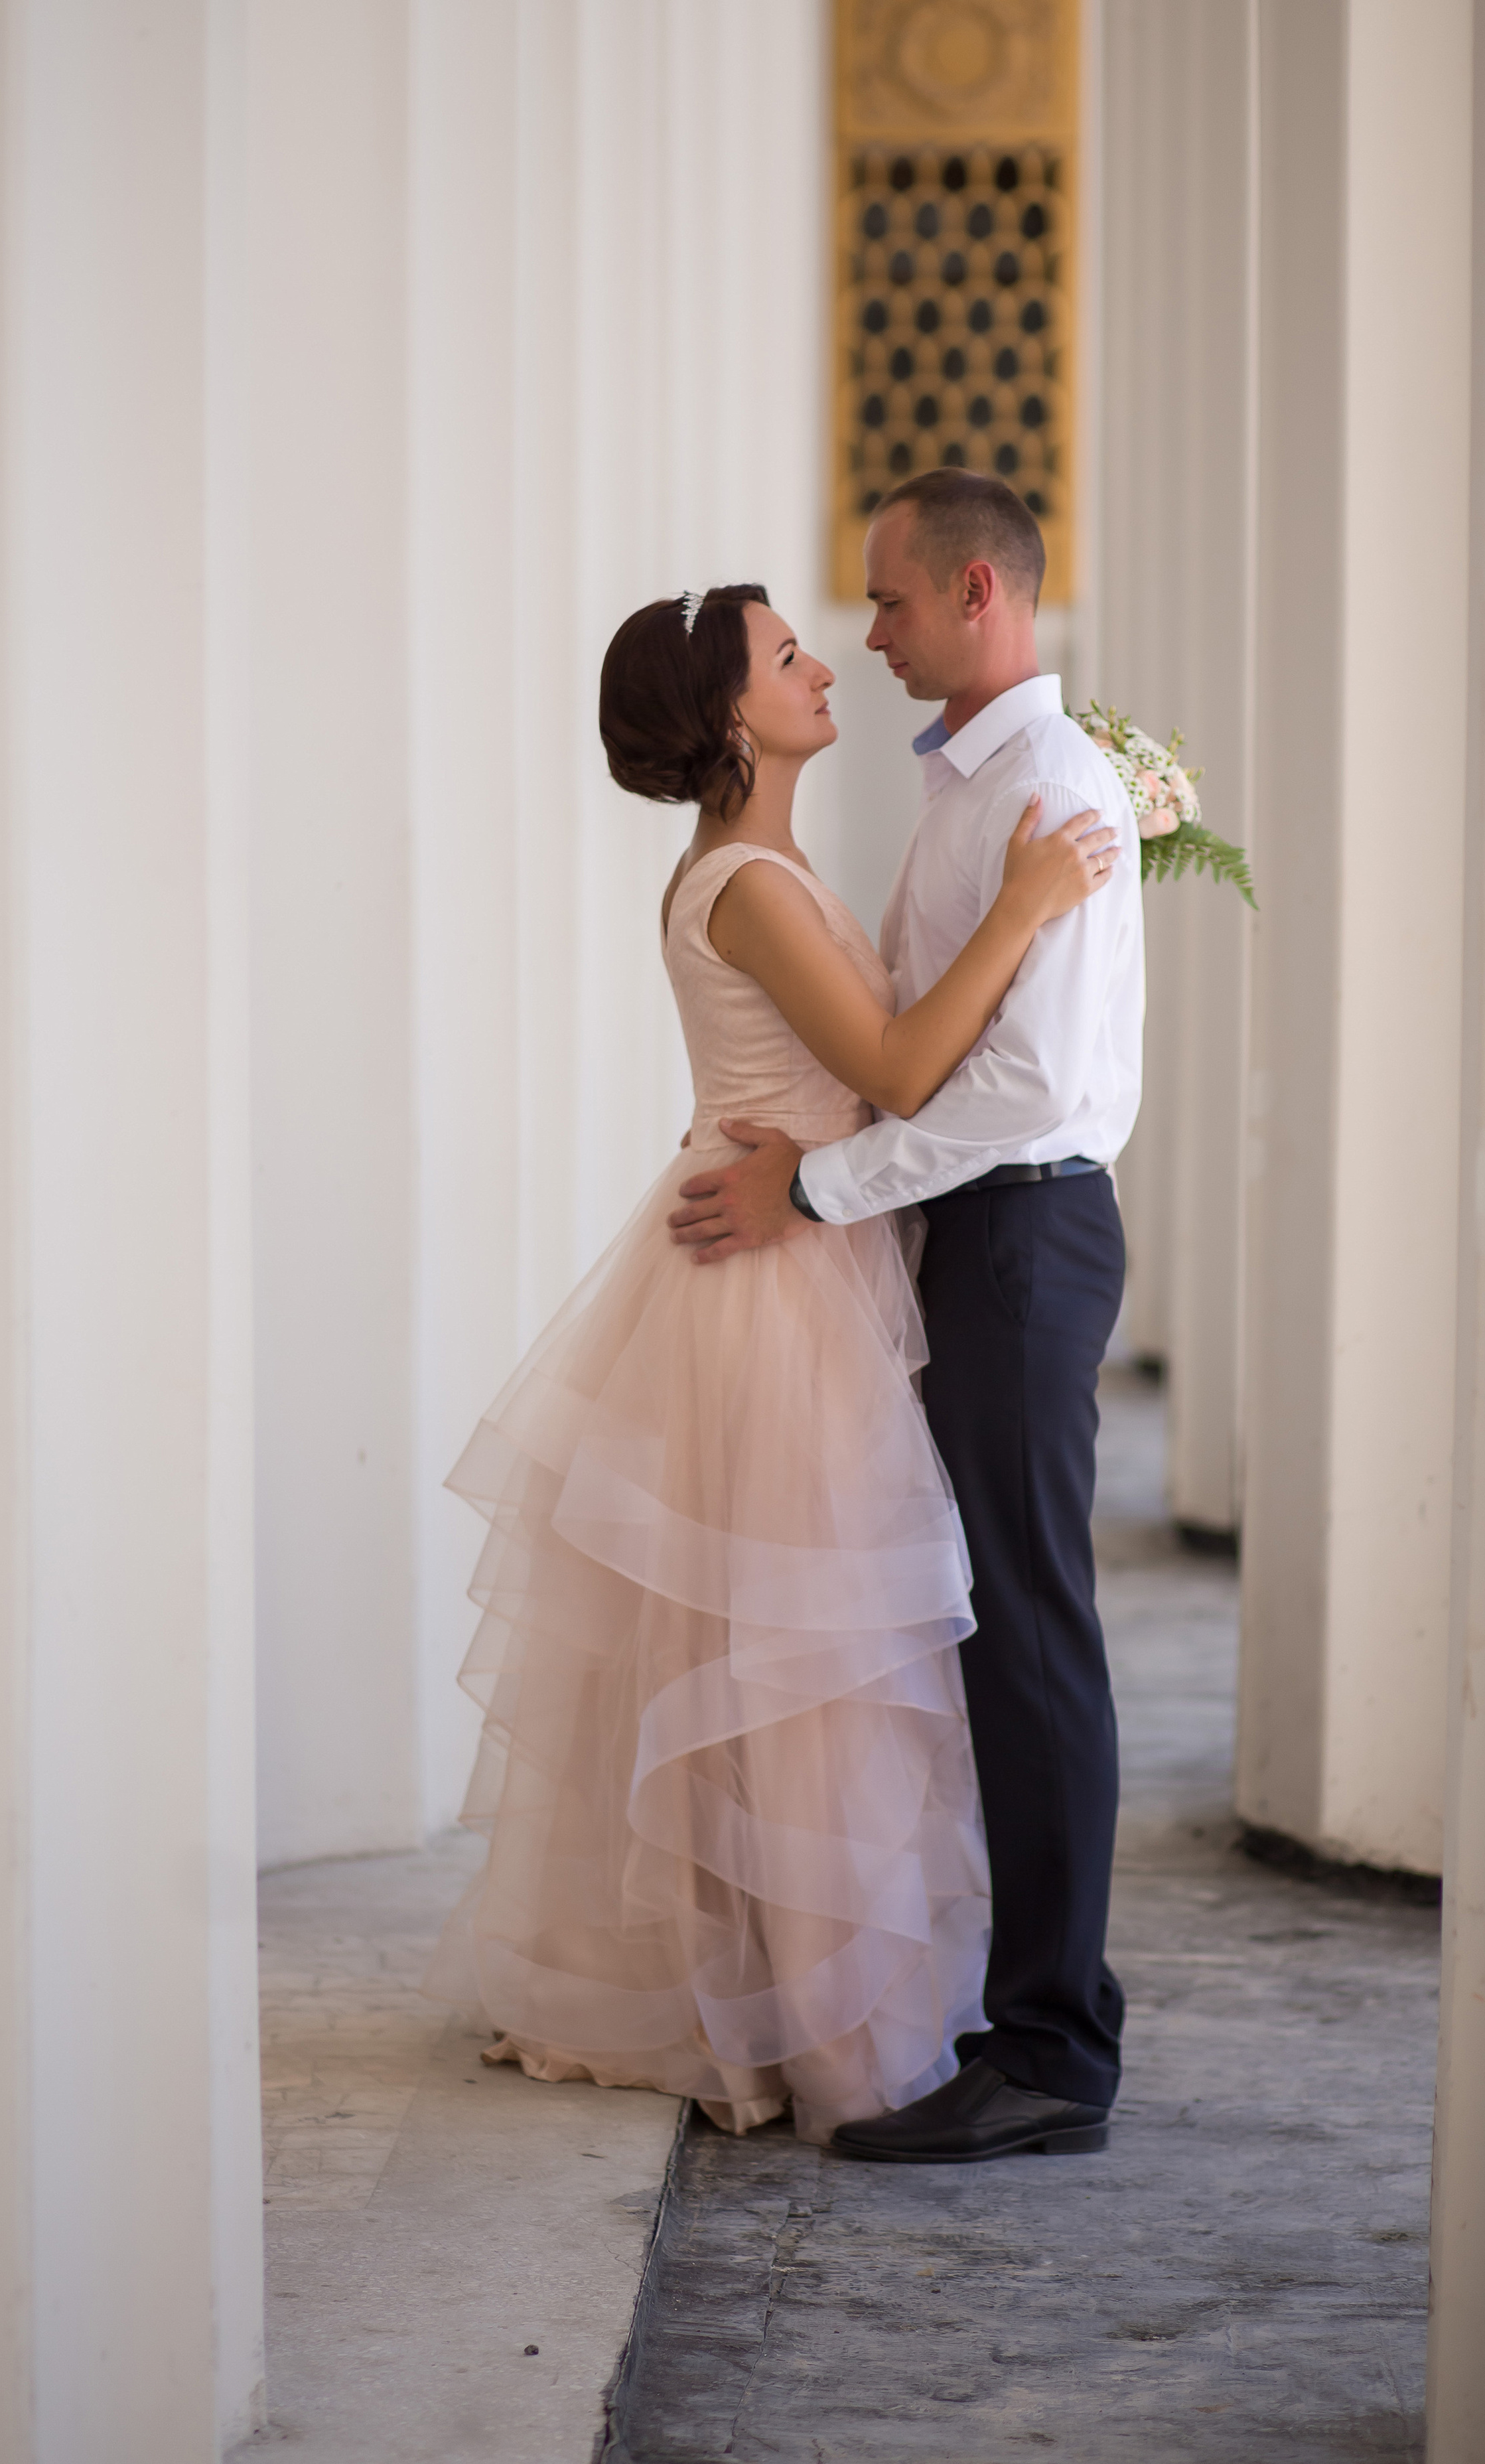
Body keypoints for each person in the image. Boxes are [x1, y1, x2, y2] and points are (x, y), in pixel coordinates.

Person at [421, 579, 1118, 2146]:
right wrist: (1026, 906)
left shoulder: (766, 868)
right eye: (786, 655)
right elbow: (896, 1069)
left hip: (809, 1251)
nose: (823, 665)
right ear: (731, 713)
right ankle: (815, 2018)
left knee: (802, 1648)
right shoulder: (744, 882)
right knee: (811, 1654)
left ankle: (779, 1982)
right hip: (777, 1287)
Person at [668, 473, 1144, 2163]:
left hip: (1016, 1232)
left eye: (882, 601)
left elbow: (1018, 1091)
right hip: (969, 1234)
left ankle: (1052, 2052)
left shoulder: (1047, 790)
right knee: (988, 1633)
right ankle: (1018, 2021)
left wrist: (816, 1189)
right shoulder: (976, 788)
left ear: (971, 592)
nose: (862, 636)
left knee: (1027, 1635)